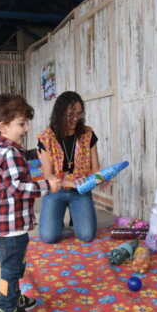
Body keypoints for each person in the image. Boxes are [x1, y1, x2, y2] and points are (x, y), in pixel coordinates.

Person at [0, 94, 61, 312]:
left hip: (4, 228)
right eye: (21, 123)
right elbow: (18, 188)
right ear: (3, 126)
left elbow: (13, 175)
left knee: (15, 267)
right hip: (8, 231)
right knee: (10, 270)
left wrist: (31, 154)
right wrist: (49, 185)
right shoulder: (9, 153)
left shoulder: (2, 149)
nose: (26, 128)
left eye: (27, 122)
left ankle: (13, 297)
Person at [37, 91, 101, 243]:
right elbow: (48, 176)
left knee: (86, 236)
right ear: (59, 113)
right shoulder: (46, 137)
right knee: (49, 237)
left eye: (79, 114)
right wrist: (72, 183)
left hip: (81, 191)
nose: (75, 118)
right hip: (56, 191)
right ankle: (57, 219)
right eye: (70, 114)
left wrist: (101, 178)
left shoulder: (88, 134)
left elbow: (96, 169)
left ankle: (76, 216)